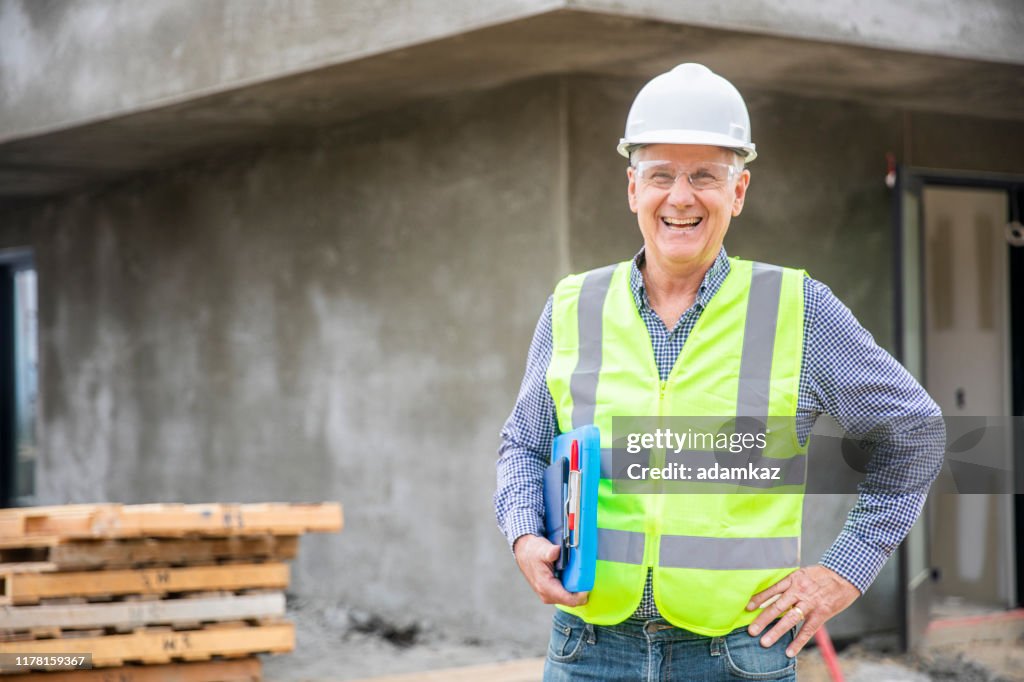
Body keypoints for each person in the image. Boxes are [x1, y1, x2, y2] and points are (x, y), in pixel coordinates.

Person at [494, 63, 945, 681]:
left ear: (738, 190)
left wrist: (843, 571)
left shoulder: (798, 309)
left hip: (736, 655)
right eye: (660, 175)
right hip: (589, 650)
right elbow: (522, 443)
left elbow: (915, 432)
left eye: (705, 175)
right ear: (632, 188)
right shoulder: (573, 305)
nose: (680, 197)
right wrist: (523, 536)